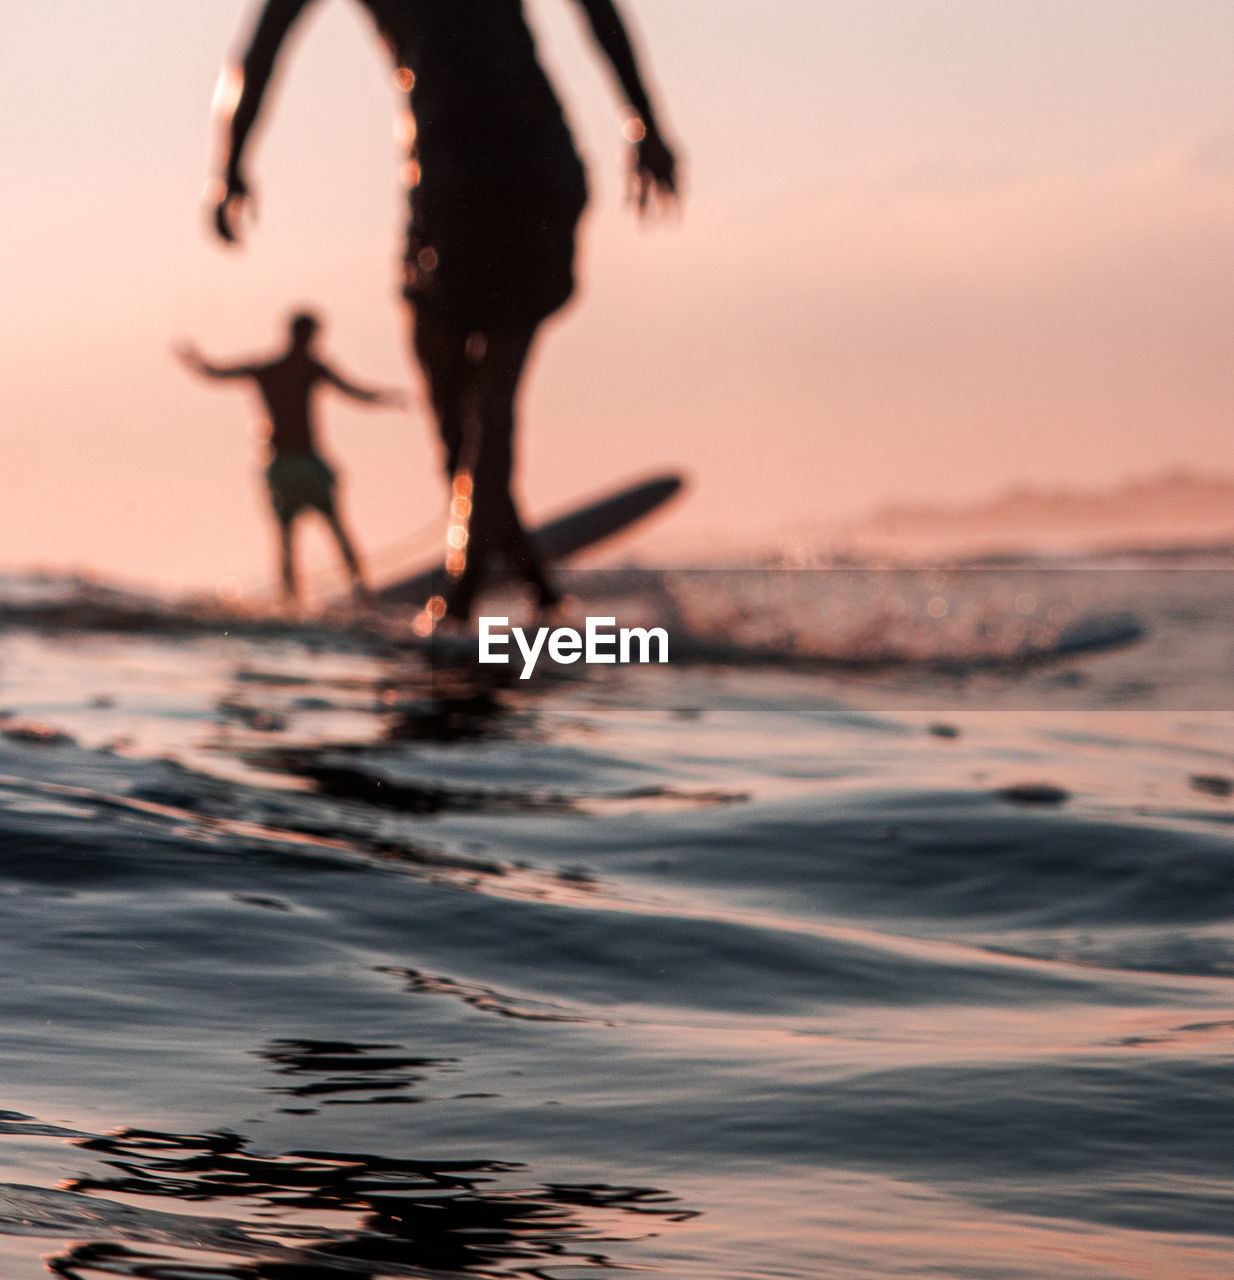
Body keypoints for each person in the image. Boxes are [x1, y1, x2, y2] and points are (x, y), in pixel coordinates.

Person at [208, 0, 679, 624]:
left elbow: (257, 55)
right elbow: (258, 53)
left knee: (472, 410)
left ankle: (463, 599)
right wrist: (645, 124)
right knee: (476, 408)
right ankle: (532, 587)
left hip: (477, 176)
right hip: (519, 169)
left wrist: (231, 168)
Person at [176, 310, 406, 606]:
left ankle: (292, 602)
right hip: (306, 464)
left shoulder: (268, 368)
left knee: (287, 540)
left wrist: (195, 361)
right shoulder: (311, 369)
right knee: (336, 530)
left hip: (281, 467)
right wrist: (385, 398)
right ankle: (361, 594)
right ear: (308, 336)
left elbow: (216, 373)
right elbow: (353, 391)